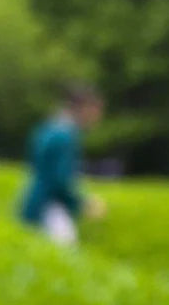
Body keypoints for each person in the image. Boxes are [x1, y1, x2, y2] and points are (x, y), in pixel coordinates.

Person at [19, 84, 106, 245]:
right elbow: (60, 180)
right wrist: (83, 203)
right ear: (85, 108)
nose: (98, 117)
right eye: (96, 110)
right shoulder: (64, 136)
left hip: (35, 202)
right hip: (50, 209)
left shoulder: (50, 127)